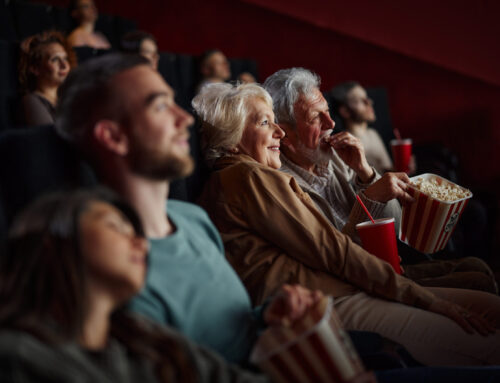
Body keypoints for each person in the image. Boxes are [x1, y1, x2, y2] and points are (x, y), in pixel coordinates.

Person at [193, 81, 500, 366]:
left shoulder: (251, 174)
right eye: (264, 122)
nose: (279, 133)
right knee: (488, 343)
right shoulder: (247, 176)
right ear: (231, 139)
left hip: (346, 286)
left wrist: (366, 173)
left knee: (488, 305)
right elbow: (335, 250)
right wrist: (424, 298)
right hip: (325, 302)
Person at [54, 53, 330, 366]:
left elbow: (223, 336)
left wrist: (265, 314)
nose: (184, 118)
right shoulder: (112, 266)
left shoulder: (193, 219)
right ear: (113, 136)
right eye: (160, 106)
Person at [0, 189, 273, 382]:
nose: (142, 244)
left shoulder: (144, 337)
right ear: (53, 243)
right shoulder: (17, 358)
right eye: (116, 226)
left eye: (137, 233)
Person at [264, 68, 497, 294]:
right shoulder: (283, 186)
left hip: (388, 270)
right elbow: (333, 264)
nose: (331, 124)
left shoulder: (335, 157)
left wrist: (365, 172)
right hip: (360, 286)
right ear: (284, 134)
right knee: (477, 281)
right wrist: (371, 197)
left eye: (327, 112)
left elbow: (396, 226)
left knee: (478, 266)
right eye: (316, 117)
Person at [17, 31, 75, 126]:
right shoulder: (31, 100)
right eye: (55, 59)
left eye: (65, 58)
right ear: (35, 69)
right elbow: (49, 137)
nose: (64, 65)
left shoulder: (67, 97)